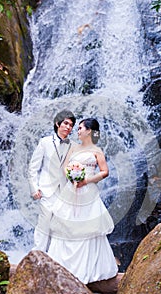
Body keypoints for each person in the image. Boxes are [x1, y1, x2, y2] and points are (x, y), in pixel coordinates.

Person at [47, 118, 118, 285]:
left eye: (80, 128)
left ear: (89, 131)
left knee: (87, 228)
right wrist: (71, 176)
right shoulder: (72, 148)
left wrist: (86, 180)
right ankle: (62, 267)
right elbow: (64, 167)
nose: (77, 131)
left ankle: (87, 271)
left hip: (88, 190)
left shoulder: (97, 150)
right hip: (71, 190)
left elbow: (105, 171)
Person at [28, 109, 76, 252]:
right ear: (57, 124)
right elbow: (33, 167)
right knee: (44, 222)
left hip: (65, 191)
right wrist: (34, 188)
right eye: (66, 123)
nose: (68, 127)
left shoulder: (73, 145)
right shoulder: (45, 142)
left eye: (71, 125)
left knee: (60, 225)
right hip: (46, 189)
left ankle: (55, 256)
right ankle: (38, 253)